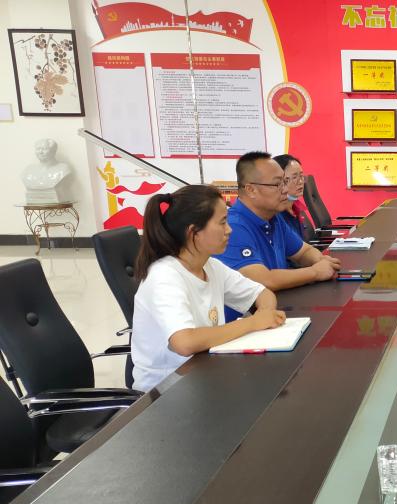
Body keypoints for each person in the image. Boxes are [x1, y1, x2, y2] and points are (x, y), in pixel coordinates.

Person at [132, 185, 286, 392]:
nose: (229, 230)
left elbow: (262, 293)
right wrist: (253, 322)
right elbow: (184, 343)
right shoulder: (164, 276)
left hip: (206, 377)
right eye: (222, 222)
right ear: (193, 232)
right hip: (167, 391)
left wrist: (265, 314)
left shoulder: (210, 266)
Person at [216, 151, 342, 293]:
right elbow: (264, 280)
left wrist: (321, 261)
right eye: (277, 184)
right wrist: (316, 272)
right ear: (251, 190)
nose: (285, 189)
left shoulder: (273, 218)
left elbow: (303, 252)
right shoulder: (233, 227)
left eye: (285, 182)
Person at [273, 153, 313, 241]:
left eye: (301, 176)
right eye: (294, 177)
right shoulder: (275, 215)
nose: (301, 182)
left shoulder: (295, 207)